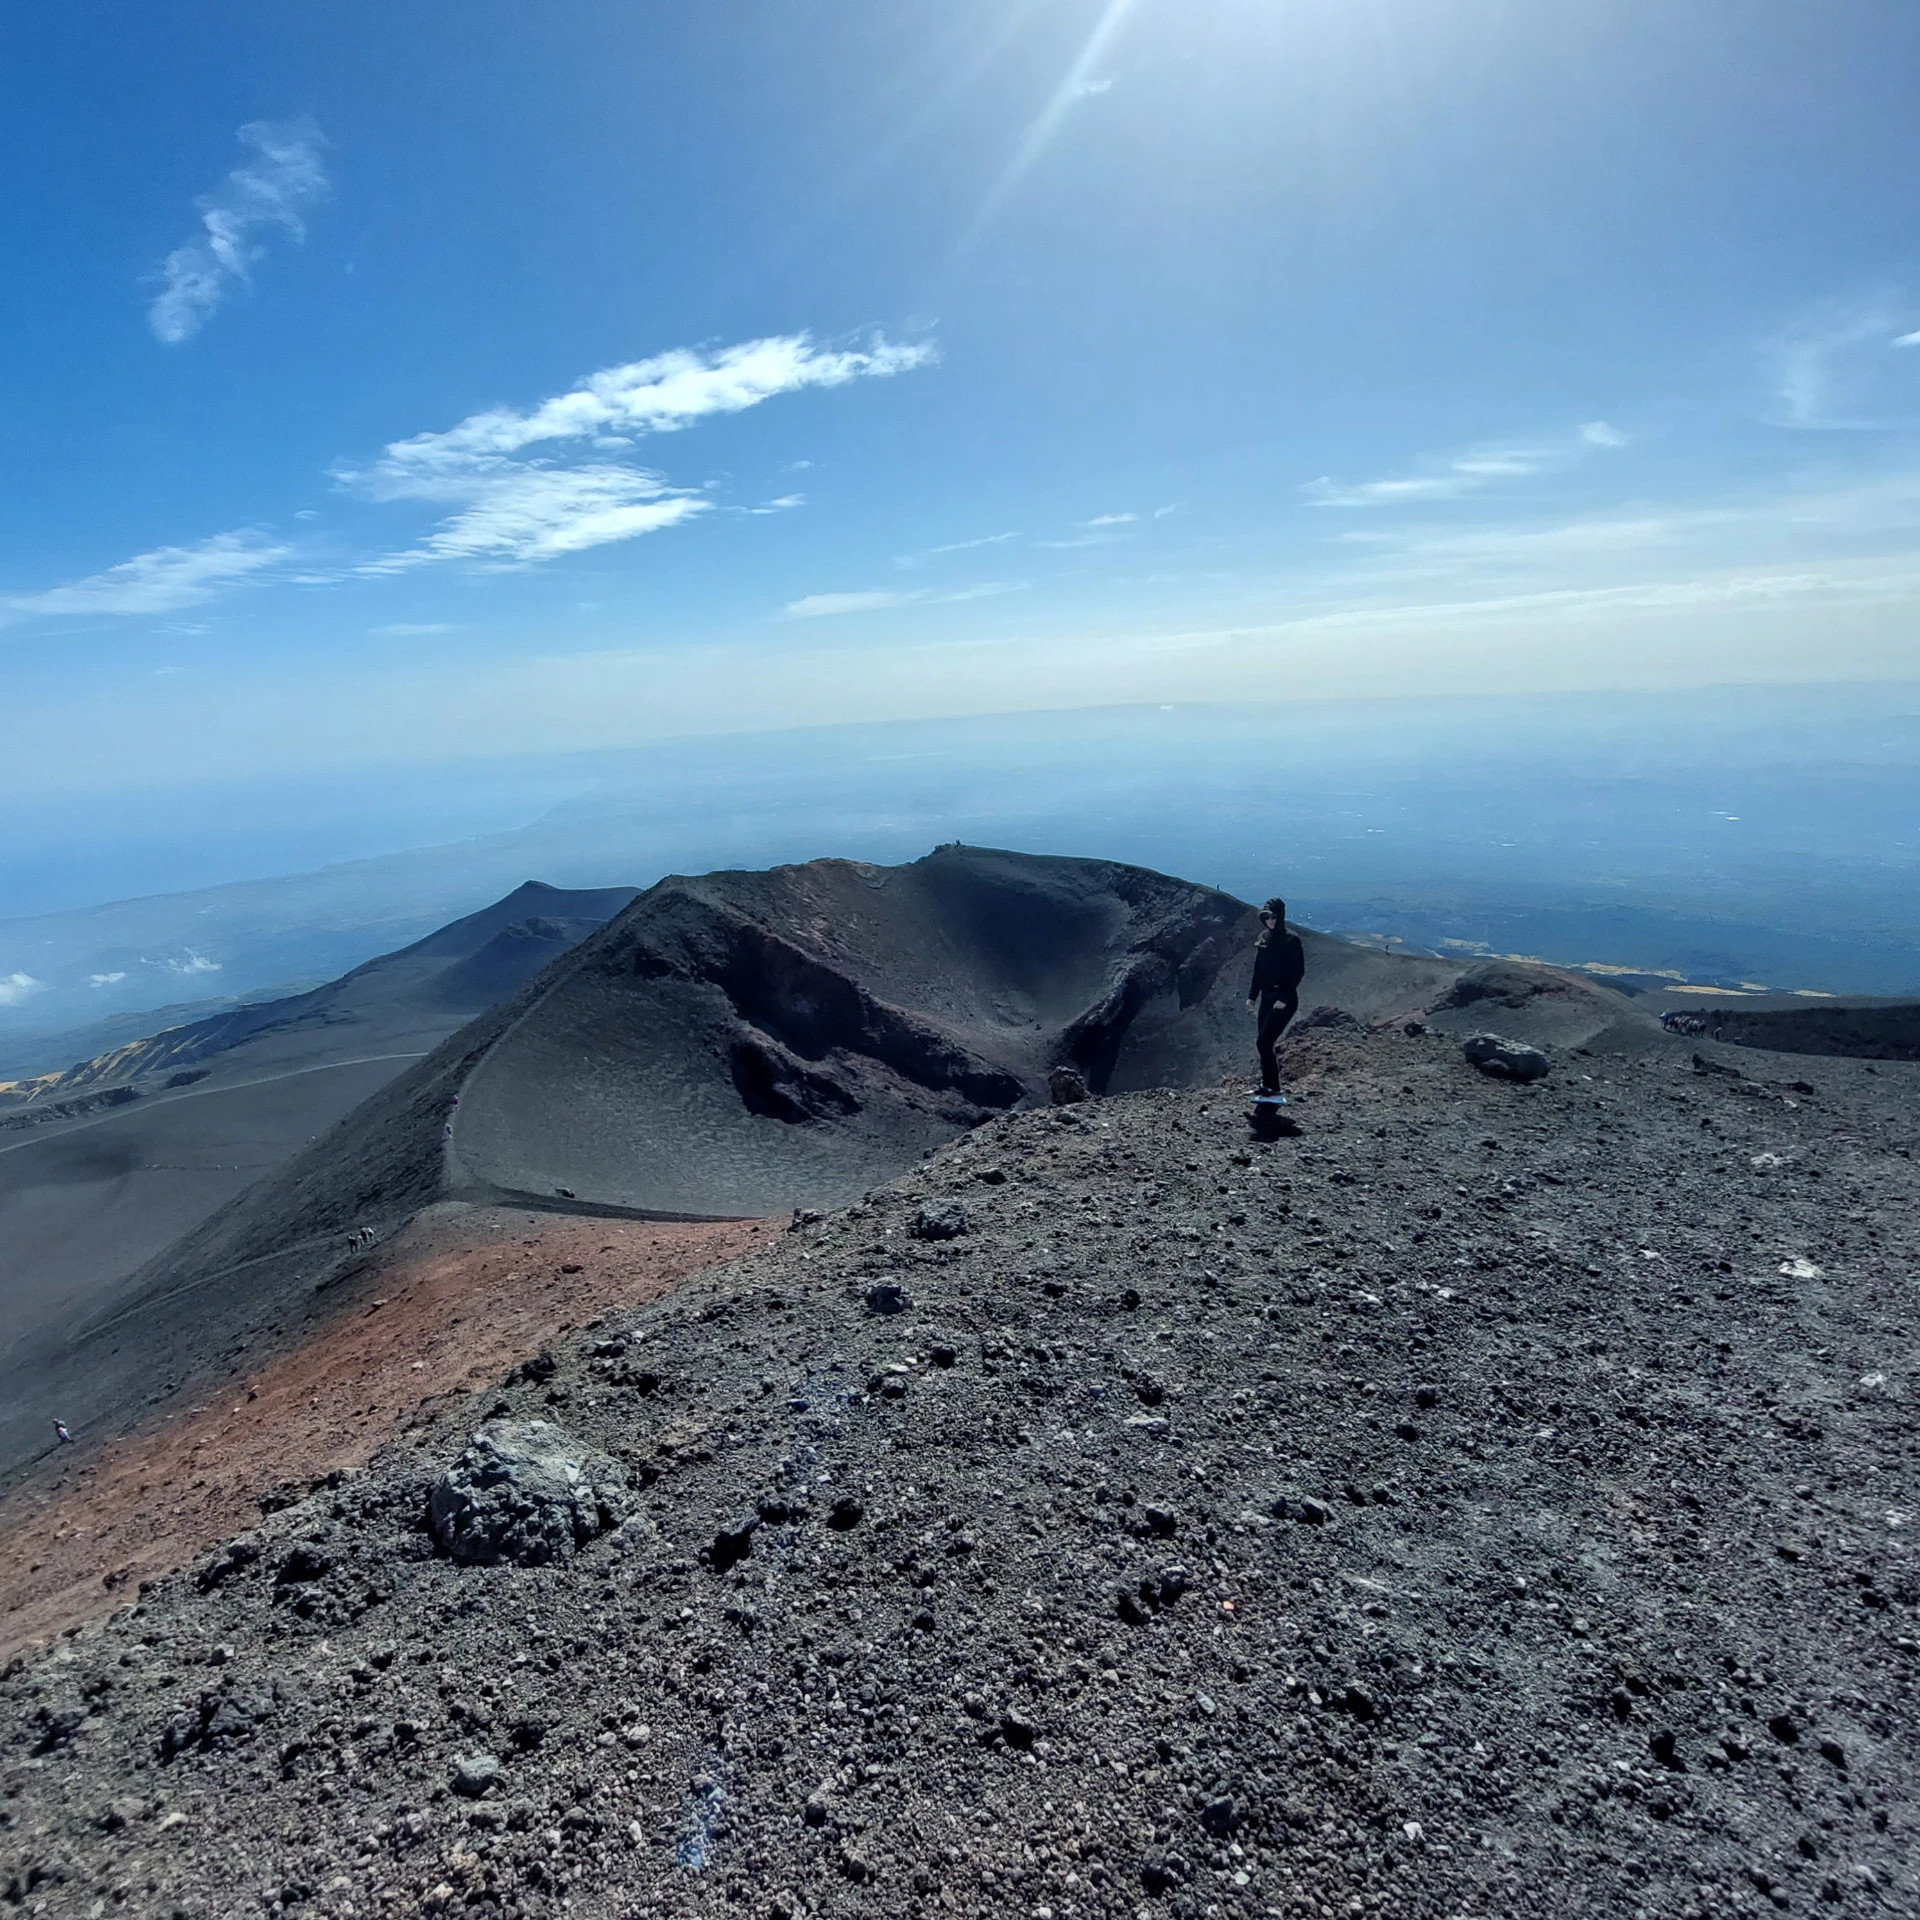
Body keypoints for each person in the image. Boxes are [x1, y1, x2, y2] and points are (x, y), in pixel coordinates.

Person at [1245, 897, 1305, 1096]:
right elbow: (1258, 971)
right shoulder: (1264, 938)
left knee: (1264, 1042)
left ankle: (1274, 1089)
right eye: (1267, 917)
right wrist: (1252, 996)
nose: (1270, 921)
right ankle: (1267, 1085)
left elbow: (1298, 972)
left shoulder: (1291, 941)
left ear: (1281, 917)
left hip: (1283, 1000)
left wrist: (1284, 998)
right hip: (1267, 998)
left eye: (1274, 917)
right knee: (1263, 1044)